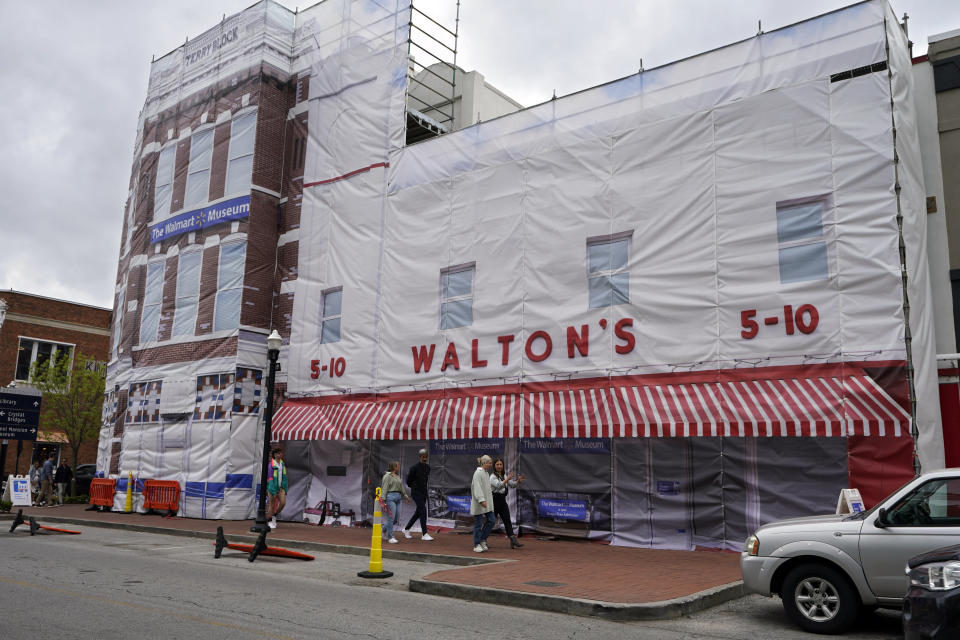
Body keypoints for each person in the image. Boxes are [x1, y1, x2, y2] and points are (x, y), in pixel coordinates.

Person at [490, 457, 525, 549]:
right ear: (494, 466)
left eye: (501, 464)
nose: (499, 466)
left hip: (502, 500)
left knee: (507, 520)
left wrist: (518, 481)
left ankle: (513, 540)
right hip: (494, 500)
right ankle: (482, 539)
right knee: (491, 521)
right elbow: (498, 485)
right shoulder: (492, 476)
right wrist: (507, 479)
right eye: (497, 464)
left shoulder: (504, 475)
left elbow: (512, 485)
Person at [402, 448, 433, 540]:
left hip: (423, 493)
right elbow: (408, 481)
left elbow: (425, 480)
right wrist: (415, 488)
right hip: (416, 493)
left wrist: (424, 492)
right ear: (419, 457)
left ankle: (406, 529)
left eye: (426, 457)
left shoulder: (428, 468)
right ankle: (424, 534)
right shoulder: (414, 468)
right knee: (423, 511)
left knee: (418, 513)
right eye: (423, 457)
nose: (424, 458)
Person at [379, 461, 409, 544]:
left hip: (398, 498)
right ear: (394, 467)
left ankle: (383, 529)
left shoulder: (397, 476)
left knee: (396, 518)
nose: (399, 467)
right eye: (398, 465)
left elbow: (401, 487)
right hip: (390, 497)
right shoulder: (387, 476)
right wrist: (383, 500)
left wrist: (405, 496)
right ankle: (390, 537)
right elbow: (384, 487)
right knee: (391, 518)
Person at [470, 455, 495, 552]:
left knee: (492, 520)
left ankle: (482, 539)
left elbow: (487, 488)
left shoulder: (486, 473)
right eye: (489, 463)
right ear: (484, 463)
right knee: (478, 524)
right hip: (479, 503)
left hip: (487, 503)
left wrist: (487, 500)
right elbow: (477, 488)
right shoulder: (478, 473)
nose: (490, 464)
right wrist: (481, 500)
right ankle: (476, 544)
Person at [266, 447, 288, 529]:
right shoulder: (270, 465)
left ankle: (274, 515)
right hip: (272, 487)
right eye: (279, 453)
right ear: (275, 455)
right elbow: (270, 478)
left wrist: (284, 487)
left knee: (283, 503)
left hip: (280, 488)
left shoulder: (282, 464)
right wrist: (272, 489)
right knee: (271, 505)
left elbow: (284, 476)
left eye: (281, 453)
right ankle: (270, 521)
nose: (280, 454)